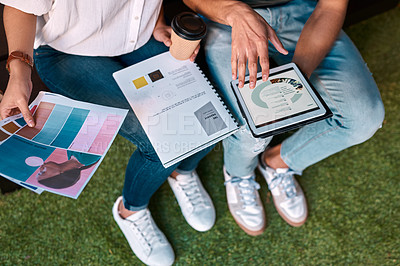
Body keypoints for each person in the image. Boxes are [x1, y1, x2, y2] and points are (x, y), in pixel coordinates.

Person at [0, 1, 216, 265]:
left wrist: (158, 21)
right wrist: (19, 73)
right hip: (69, 50)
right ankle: (130, 210)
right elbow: (20, 6)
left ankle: (180, 171)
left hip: (141, 35)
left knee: (208, 116)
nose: (45, 169)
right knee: (160, 143)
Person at [183, 0, 385, 235]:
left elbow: (331, 7)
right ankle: (239, 175)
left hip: (305, 13)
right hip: (227, 18)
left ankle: (278, 161)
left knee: (365, 118)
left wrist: (297, 80)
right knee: (254, 129)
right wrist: (234, 12)